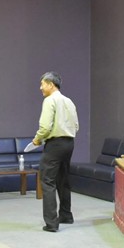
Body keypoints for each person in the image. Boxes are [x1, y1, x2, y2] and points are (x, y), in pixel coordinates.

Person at [32, 72, 79, 233]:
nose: (40, 88)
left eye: (42, 84)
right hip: (69, 143)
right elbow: (76, 126)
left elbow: (45, 127)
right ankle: (66, 215)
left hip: (55, 144)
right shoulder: (69, 101)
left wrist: (37, 139)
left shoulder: (49, 100)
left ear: (51, 85)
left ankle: (51, 223)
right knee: (63, 180)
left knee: (47, 181)